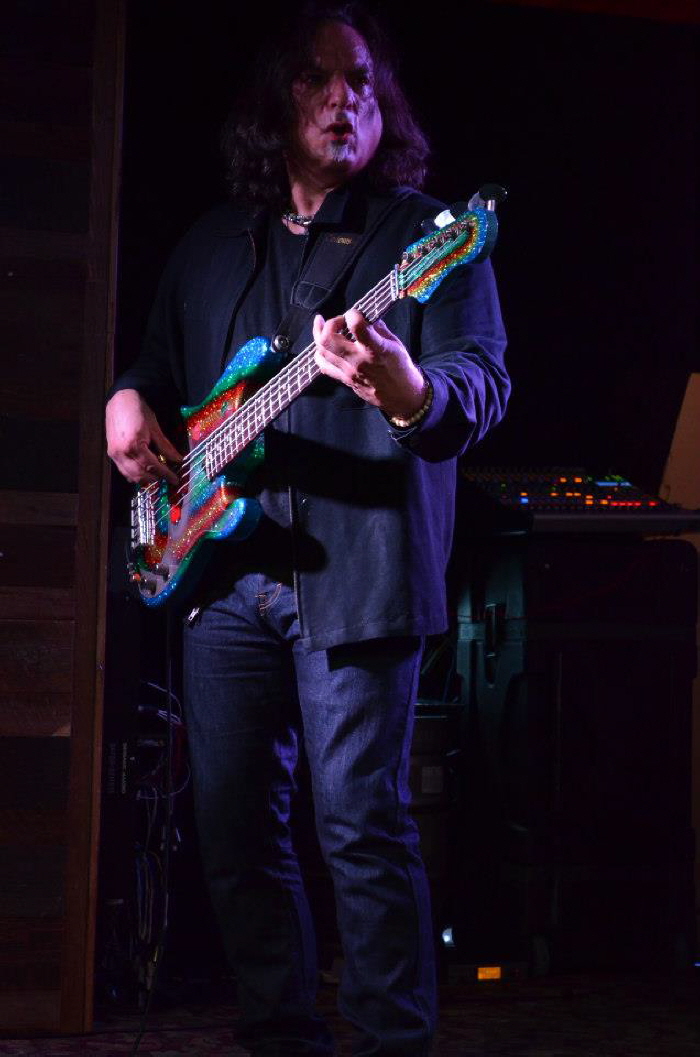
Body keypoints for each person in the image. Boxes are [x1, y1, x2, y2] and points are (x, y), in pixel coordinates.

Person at [106, 4, 509, 1054]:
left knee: (361, 827)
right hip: (221, 577)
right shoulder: (211, 243)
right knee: (237, 835)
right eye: (318, 79)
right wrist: (125, 399)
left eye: (363, 81)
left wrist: (408, 389)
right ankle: (280, 1034)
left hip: (359, 578)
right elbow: (158, 366)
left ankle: (388, 1042)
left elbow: (479, 385)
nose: (344, 99)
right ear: (274, 99)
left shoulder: (424, 238)